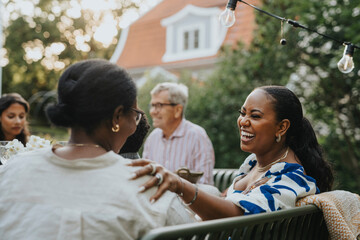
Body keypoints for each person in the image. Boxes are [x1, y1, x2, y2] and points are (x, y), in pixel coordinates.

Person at [0, 59, 195, 240]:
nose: (136, 123)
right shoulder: (146, 185)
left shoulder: (13, 169)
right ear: (117, 117)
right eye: (135, 114)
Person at [130, 85, 334, 221]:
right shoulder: (253, 163)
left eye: (255, 116)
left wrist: (180, 185)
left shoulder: (291, 178)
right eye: (242, 113)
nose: (243, 121)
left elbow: (237, 214)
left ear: (281, 128)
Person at [143, 82, 215, 184]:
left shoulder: (197, 136)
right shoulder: (152, 139)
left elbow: (204, 183)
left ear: (178, 110)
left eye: (158, 105)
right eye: (152, 105)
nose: (153, 111)